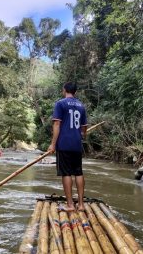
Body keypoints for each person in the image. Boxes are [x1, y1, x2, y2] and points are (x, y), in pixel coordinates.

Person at [48, 82, 87, 212]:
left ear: (64, 90)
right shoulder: (81, 106)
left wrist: (53, 144)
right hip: (77, 144)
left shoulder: (60, 104)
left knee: (66, 173)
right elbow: (83, 129)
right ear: (75, 91)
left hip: (64, 143)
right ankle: (81, 205)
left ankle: (70, 205)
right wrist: (81, 135)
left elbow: (57, 125)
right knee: (78, 172)